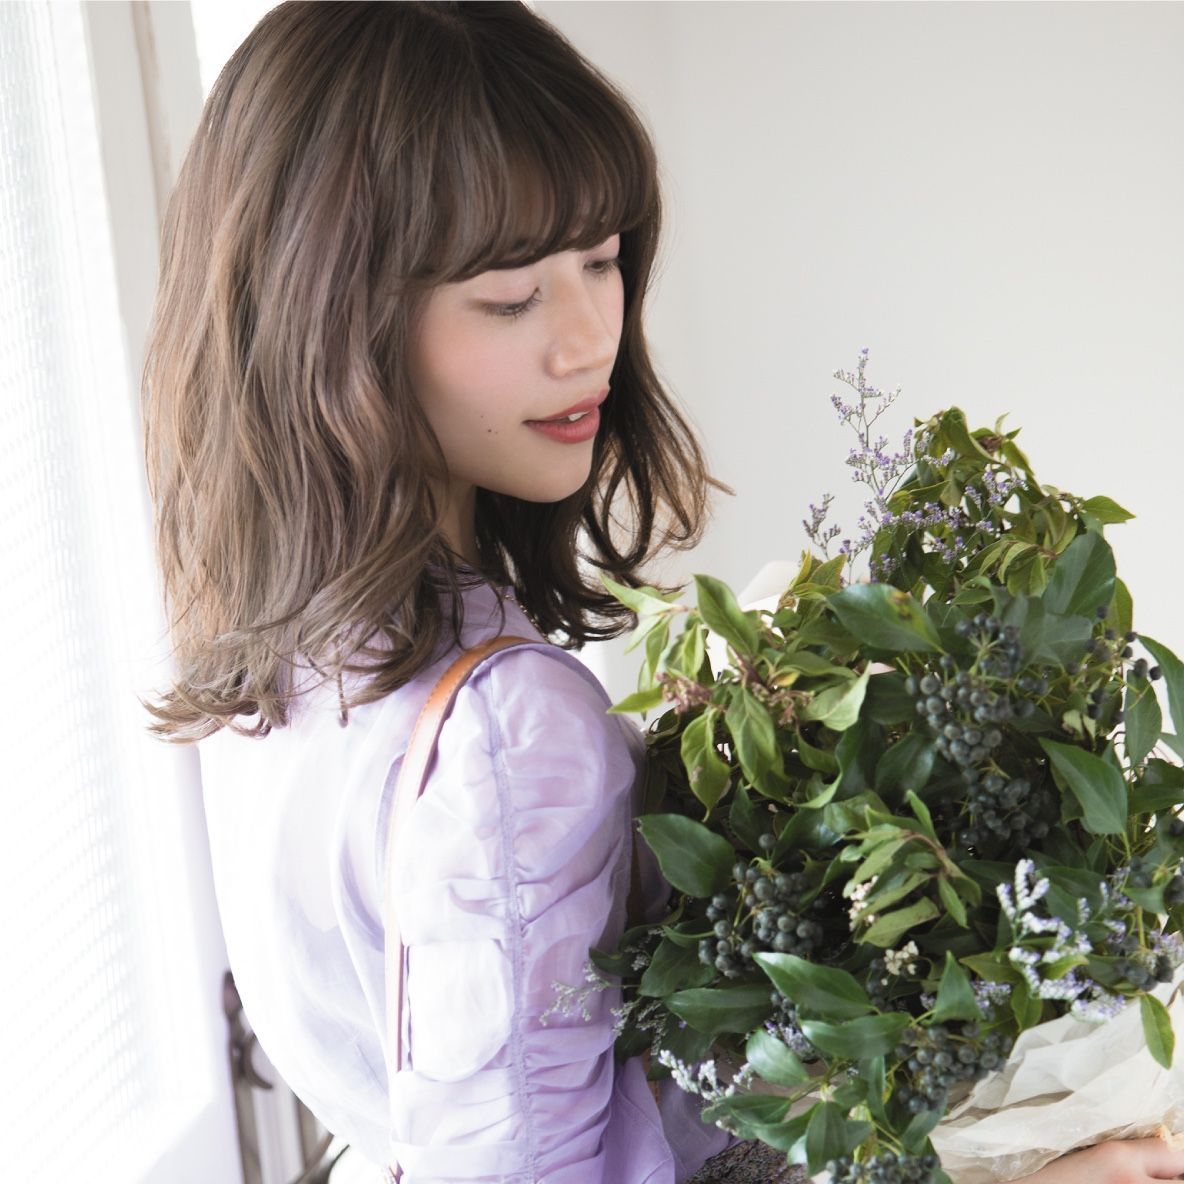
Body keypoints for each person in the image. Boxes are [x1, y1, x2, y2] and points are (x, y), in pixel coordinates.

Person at [137, 3, 1184, 1182]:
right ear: (336, 325)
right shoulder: (503, 730)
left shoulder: (263, 638)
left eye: (599, 259)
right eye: (507, 296)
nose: (590, 336)